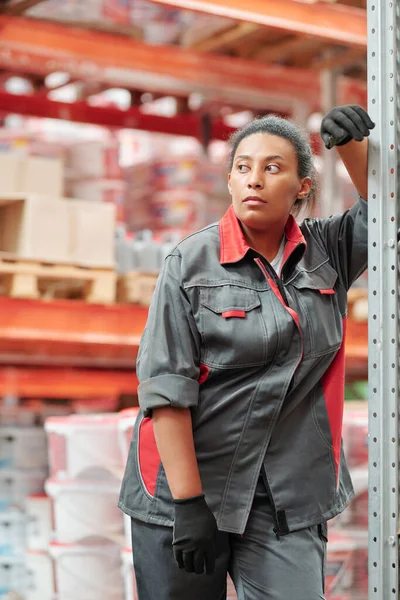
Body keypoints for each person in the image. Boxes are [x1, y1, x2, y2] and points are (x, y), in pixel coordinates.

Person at [119, 105, 374, 600]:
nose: (254, 179)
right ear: (231, 182)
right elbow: (166, 389)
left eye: (272, 167)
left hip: (286, 496)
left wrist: (351, 147)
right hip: (186, 489)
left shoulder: (328, 253)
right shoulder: (189, 263)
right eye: (243, 167)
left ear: (302, 186)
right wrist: (190, 503)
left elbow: (386, 211)